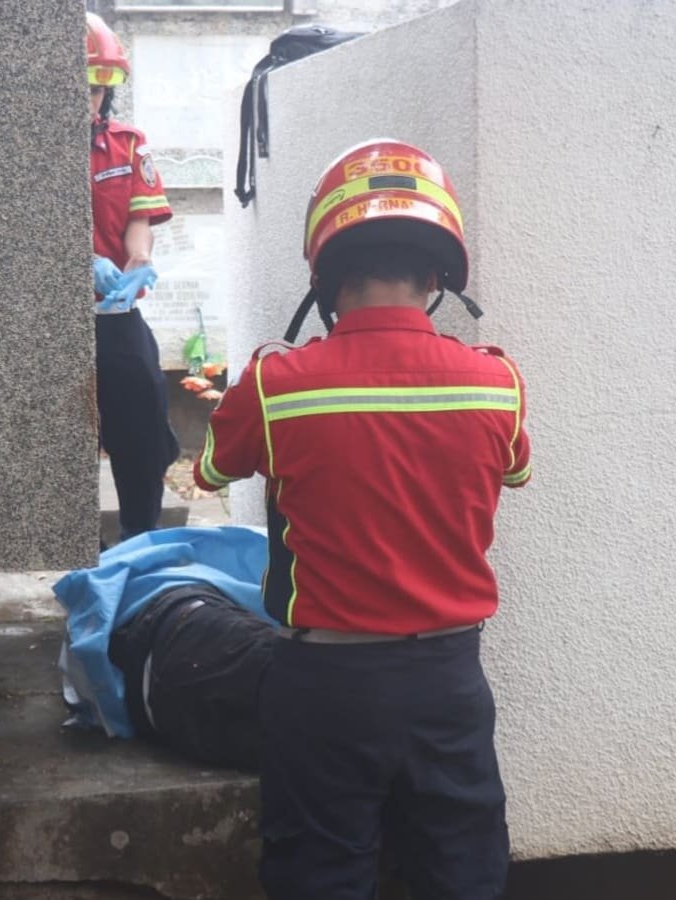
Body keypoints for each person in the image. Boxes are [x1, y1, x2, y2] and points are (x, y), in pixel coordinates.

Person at [192, 139, 532, 900]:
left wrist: (260, 370)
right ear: (439, 276)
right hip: (449, 681)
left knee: (320, 872)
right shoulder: (496, 383)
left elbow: (211, 469)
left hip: (325, 683)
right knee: (462, 873)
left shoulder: (278, 386)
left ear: (328, 276)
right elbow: (517, 469)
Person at [87, 13, 179, 543]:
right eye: (84, 88)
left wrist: (136, 264)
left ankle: (139, 535)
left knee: (144, 411)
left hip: (113, 311)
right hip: (49, 316)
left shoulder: (126, 145)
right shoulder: (25, 152)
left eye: (102, 90)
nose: (94, 101)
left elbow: (138, 223)